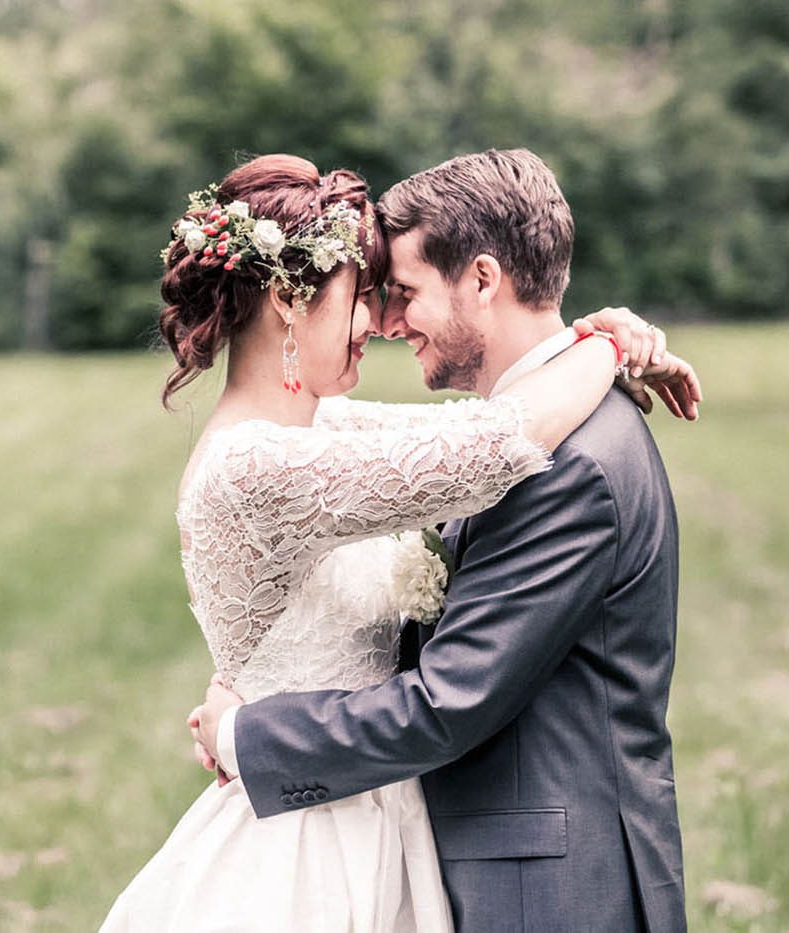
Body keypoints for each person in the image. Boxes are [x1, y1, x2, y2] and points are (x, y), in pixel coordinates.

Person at [102, 153, 698, 932]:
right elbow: (487, 443)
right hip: (319, 849)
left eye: (399, 294)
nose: (382, 323)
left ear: (482, 280)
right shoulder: (267, 456)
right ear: (287, 297)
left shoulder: (569, 461)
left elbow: (452, 692)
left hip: (536, 881)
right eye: (367, 296)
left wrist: (248, 733)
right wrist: (609, 343)